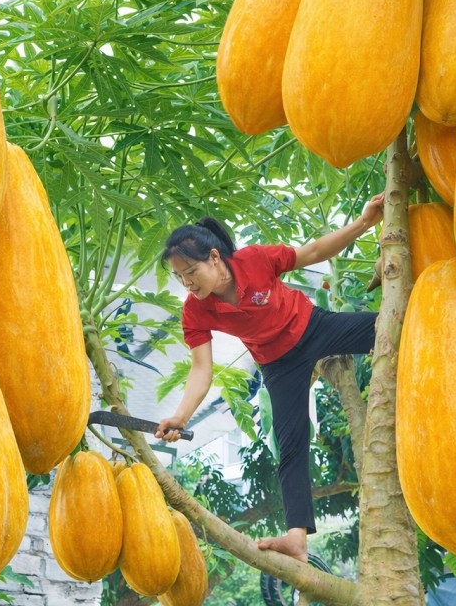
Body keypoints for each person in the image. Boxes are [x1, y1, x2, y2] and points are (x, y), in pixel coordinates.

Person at [154, 194, 385, 562]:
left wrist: (363, 223)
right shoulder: (194, 311)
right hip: (279, 365)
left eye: (191, 272)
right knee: (290, 444)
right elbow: (201, 368)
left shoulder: (255, 260)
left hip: (314, 328)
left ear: (215, 259)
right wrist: (180, 416)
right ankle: (297, 538)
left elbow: (311, 253)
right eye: (180, 277)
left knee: (388, 326)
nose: (187, 283)